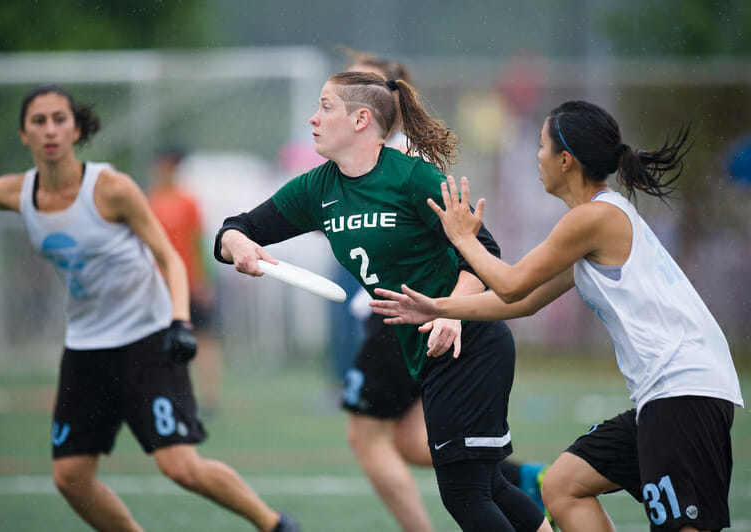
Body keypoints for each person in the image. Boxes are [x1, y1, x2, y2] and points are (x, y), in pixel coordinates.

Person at [370, 100, 744, 532]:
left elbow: (510, 283)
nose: (537, 156)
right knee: (564, 484)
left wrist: (462, 238)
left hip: (684, 391)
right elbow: (520, 301)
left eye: (542, 146)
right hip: (663, 396)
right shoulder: (593, 224)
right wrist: (438, 307)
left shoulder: (593, 218)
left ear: (565, 160)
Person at [0, 84, 299, 532]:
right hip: (86, 348)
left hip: (148, 339)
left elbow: (169, 257)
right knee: (70, 478)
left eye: (60, 118)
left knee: (181, 468)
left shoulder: (111, 188)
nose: (50, 129)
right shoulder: (13, 192)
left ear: (76, 128)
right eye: (39, 121)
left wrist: (179, 322)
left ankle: (274, 525)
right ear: (24, 135)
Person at [215, 71, 552, 532]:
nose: (313, 119)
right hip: (424, 352)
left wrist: (449, 314)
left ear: (360, 119)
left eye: (325, 107)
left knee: (466, 495)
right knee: (488, 486)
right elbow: (235, 227)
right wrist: (239, 246)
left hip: (469, 342)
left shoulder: (414, 179)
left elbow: (485, 254)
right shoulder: (318, 189)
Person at [339, 49, 549, 531]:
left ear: (379, 102)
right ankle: (527, 481)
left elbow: (477, 248)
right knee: (422, 446)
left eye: (346, 94)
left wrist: (452, 310)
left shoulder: (405, 168)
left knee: (370, 440)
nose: (333, 107)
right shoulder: (360, 166)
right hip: (414, 316)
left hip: (410, 317)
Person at [148, 146, 223, 413]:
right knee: (164, 340)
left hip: (190, 284)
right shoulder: (152, 201)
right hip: (162, 285)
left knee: (204, 339)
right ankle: (172, 395)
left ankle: (209, 398)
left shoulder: (187, 201)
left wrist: (204, 280)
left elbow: (198, 242)